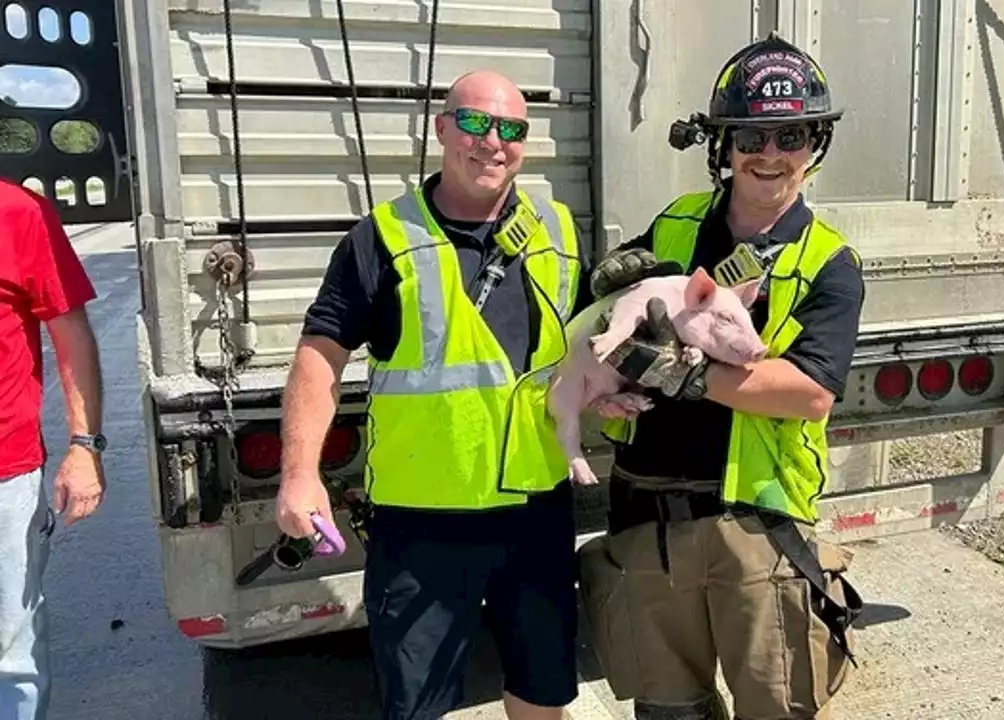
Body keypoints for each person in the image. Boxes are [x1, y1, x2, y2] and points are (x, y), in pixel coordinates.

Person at [274, 69, 593, 720]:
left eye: (512, 129)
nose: (492, 142)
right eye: (475, 122)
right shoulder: (383, 237)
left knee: (542, 691)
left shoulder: (558, 231)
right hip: (423, 525)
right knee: (418, 706)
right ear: (442, 128)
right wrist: (300, 474)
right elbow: (319, 355)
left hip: (536, 511)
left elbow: (582, 345)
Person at [577, 33, 867, 720]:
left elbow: (809, 393)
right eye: (751, 136)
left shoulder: (828, 263)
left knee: (773, 710)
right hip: (645, 514)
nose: (770, 155)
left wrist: (683, 375)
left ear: (815, 143)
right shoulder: (674, 226)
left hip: (753, 530)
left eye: (791, 135)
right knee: (668, 713)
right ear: (722, 144)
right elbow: (603, 322)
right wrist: (599, 312)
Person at [0, 178, 108, 720]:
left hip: (4, 473)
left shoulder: (19, 212)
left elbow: (71, 333)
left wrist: (84, 445)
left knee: (8, 653)